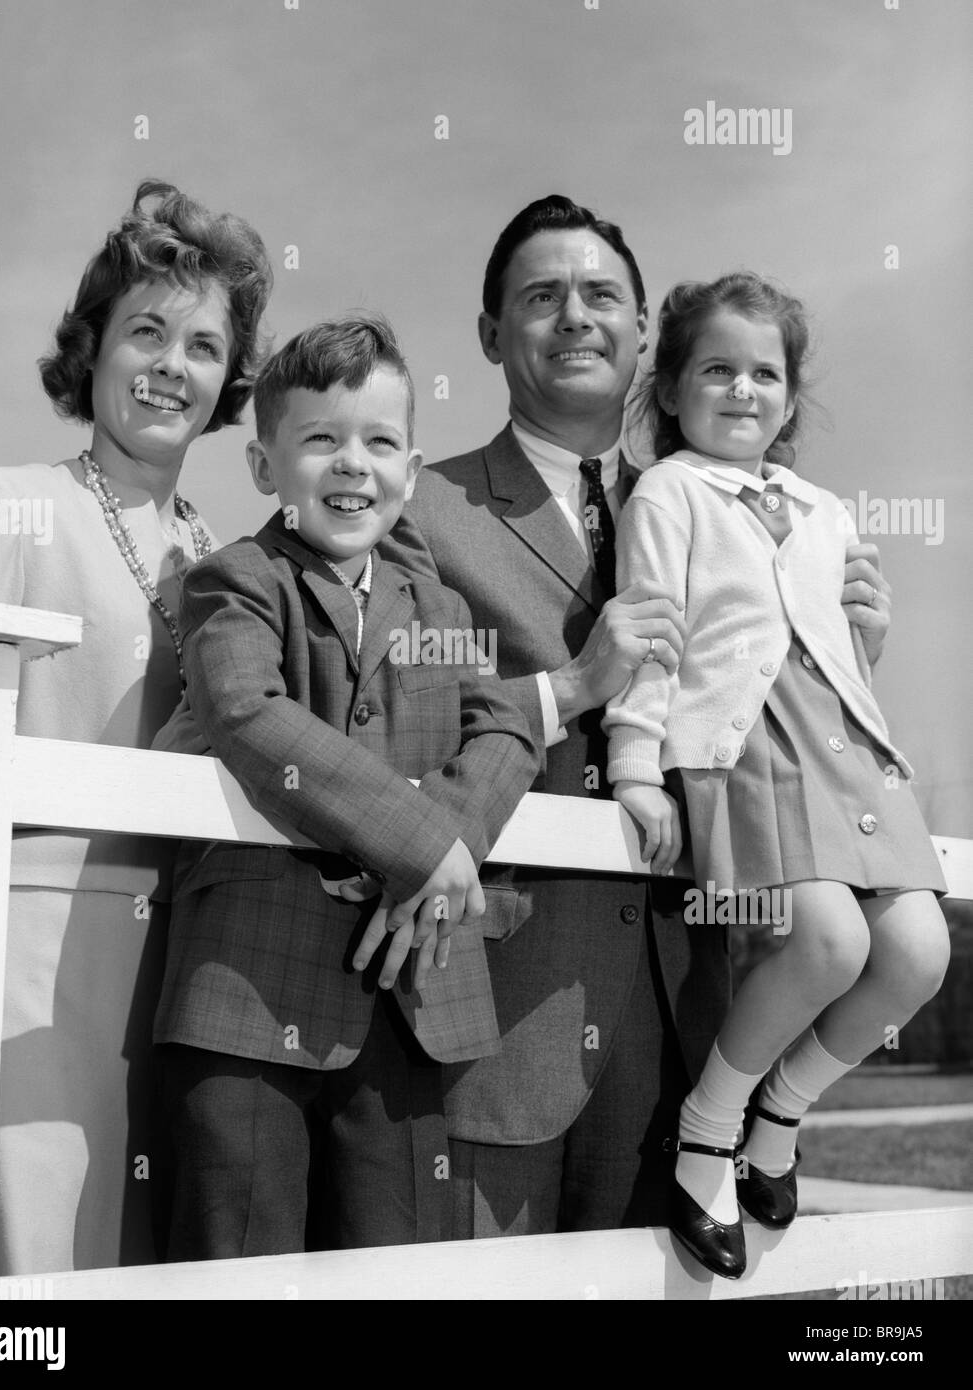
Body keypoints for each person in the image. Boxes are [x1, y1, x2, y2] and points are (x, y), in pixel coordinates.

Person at [378, 195, 895, 1237]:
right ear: (489, 335)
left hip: (696, 1019)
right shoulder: (419, 508)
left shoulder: (747, 513)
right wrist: (573, 685)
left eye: (601, 294)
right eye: (541, 296)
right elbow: (386, 709)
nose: (576, 316)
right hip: (501, 1031)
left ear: (644, 329)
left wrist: (840, 653)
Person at [0, 179, 272, 1274]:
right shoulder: (6, 501)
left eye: (203, 344)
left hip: (188, 981)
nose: (172, 364)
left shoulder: (236, 562)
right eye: (147, 331)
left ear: (227, 382)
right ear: (94, 347)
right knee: (29, 1280)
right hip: (23, 968)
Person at [152, 313, 539, 1257]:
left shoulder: (441, 608)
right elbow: (249, 713)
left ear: (411, 468)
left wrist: (443, 849)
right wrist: (420, 846)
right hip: (247, 994)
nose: (350, 465)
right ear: (262, 468)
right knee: (237, 1259)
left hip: (413, 1001)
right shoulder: (232, 582)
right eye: (319, 439)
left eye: (377, 442)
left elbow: (508, 724)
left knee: (392, 1261)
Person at [603, 271, 949, 1278]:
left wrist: (872, 658)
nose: (743, 389)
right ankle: (708, 1128)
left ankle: (780, 1112)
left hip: (848, 748)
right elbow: (654, 636)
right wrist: (634, 763)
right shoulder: (668, 492)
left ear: (792, 397)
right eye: (718, 368)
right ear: (669, 389)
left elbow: (831, 646)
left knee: (918, 953)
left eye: (766, 372)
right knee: (828, 939)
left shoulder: (825, 508)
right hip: (746, 747)